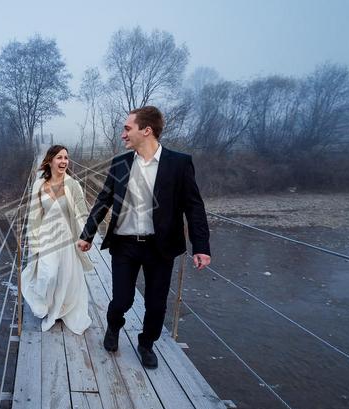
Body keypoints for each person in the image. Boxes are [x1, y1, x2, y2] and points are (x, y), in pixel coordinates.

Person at [77, 106, 211, 369]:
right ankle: (114, 326)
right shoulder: (120, 163)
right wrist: (87, 235)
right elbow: (103, 201)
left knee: (156, 304)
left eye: (128, 128)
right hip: (124, 244)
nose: (123, 134)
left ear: (146, 130)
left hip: (160, 247)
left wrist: (201, 246)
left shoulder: (179, 164)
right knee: (122, 299)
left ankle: (146, 343)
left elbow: (194, 206)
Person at [21, 145, 94, 335]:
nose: (63, 162)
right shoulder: (39, 185)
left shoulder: (73, 185)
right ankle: (46, 306)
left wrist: (85, 236)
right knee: (49, 274)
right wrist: (34, 243)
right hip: (46, 236)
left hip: (67, 237)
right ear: (50, 161)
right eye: (59, 158)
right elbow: (34, 216)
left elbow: (82, 212)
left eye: (66, 158)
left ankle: (61, 309)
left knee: (66, 277)